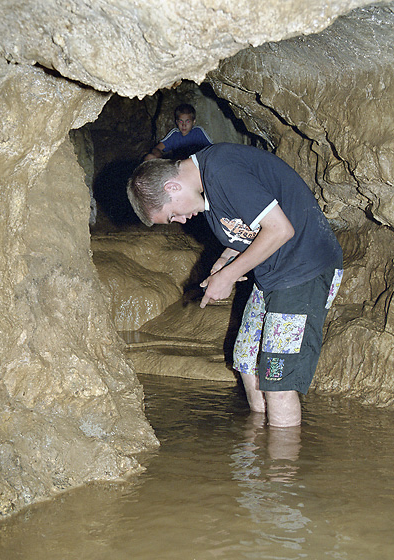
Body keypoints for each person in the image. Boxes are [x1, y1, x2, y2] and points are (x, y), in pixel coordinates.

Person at [127, 143, 343, 428]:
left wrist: (228, 278)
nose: (180, 221)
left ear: (172, 188)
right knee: (246, 361)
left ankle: (282, 470)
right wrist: (225, 260)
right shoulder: (209, 192)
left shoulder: (222, 169)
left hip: (304, 270)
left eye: (171, 216)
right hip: (272, 276)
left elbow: (281, 229)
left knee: (276, 380)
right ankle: (256, 457)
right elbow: (246, 232)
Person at [144, 103, 212, 161]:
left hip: (196, 164)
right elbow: (157, 148)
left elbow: (212, 148)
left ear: (193, 122)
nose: (184, 125)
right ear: (177, 122)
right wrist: (157, 155)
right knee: (149, 157)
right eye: (181, 121)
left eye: (187, 121)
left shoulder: (198, 132)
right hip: (179, 165)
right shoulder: (175, 135)